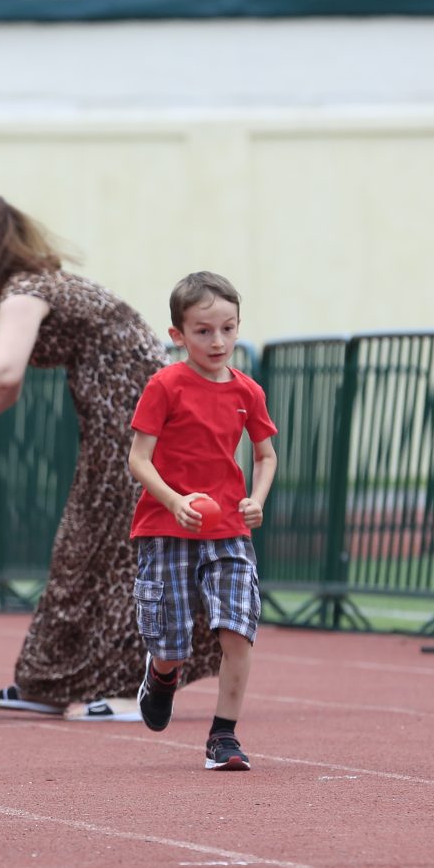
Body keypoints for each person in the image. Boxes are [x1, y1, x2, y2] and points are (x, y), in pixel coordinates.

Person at [0, 192, 222, 718]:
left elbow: (2, 374)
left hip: (138, 415)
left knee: (117, 549)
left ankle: (127, 689)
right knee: (80, 545)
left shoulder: (26, 290)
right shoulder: (11, 294)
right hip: (112, 415)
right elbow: (4, 391)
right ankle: (46, 681)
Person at [126, 272, 279, 770]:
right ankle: (163, 674)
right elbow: (138, 459)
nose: (218, 341)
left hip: (229, 530)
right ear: (179, 335)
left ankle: (224, 736)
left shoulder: (248, 392)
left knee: (237, 629)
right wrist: (173, 501)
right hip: (168, 528)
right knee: (171, 643)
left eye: (228, 329)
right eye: (203, 331)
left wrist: (256, 499)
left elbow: (266, 455)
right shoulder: (165, 384)